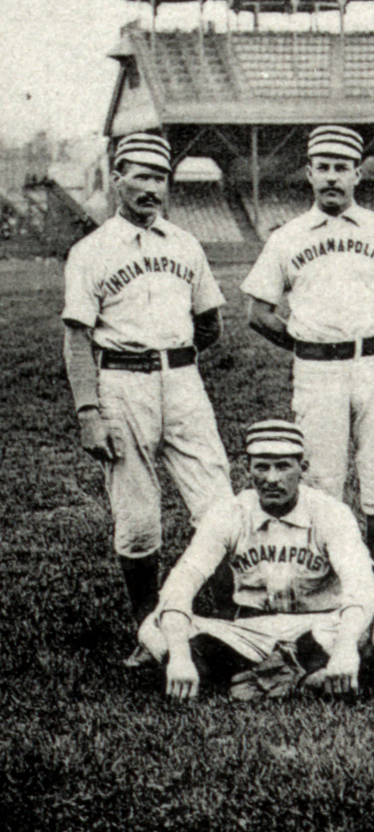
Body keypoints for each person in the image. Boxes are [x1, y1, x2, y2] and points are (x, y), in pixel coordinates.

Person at [241, 125, 374, 599]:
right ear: (309, 173)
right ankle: (327, 584)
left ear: (357, 174)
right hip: (316, 371)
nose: (331, 178)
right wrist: (310, 345)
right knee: (323, 481)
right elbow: (258, 313)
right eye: (323, 168)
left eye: (341, 168)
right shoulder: (287, 237)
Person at [62, 131, 231, 664]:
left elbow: (210, 323)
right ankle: (147, 630)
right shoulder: (90, 251)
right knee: (138, 517)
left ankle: (228, 624)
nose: (152, 188)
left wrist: (174, 360)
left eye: (161, 179)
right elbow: (75, 338)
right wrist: (89, 411)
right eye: (141, 177)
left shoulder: (185, 244)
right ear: (116, 180)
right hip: (121, 384)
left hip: (182, 382)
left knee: (218, 504)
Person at [137, 420, 374, 701]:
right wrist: (179, 656)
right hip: (250, 631)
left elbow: (361, 586)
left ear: (303, 468)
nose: (272, 478)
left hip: (320, 626)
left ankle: (236, 675)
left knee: (370, 621)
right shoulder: (229, 512)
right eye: (262, 466)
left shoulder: (331, 513)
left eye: (284, 466)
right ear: (247, 469)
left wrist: (346, 648)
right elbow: (185, 577)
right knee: (153, 627)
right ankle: (294, 675)